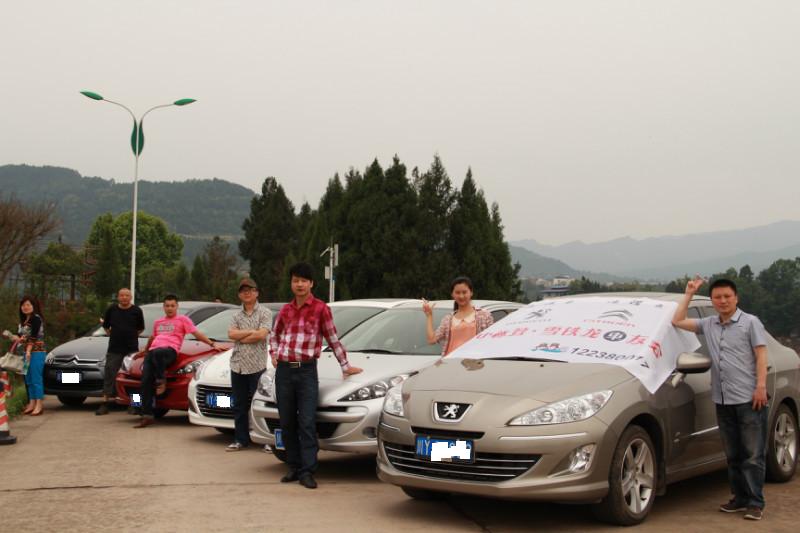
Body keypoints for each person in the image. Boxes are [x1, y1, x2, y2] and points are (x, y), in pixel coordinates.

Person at [672, 277, 769, 521]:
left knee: (752, 454)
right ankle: (739, 498)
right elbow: (678, 321)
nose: (723, 301)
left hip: (749, 398)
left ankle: (755, 503)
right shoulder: (709, 324)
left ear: (736, 298)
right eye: (718, 297)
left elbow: (761, 355)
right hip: (723, 399)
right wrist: (689, 293)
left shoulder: (750, 323)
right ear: (712, 300)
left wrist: (760, 386)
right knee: (733, 454)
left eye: (727, 296)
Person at [269, 262, 363, 488]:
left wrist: (345, 365)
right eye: (295, 280)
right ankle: (293, 466)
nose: (299, 284)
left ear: (311, 283)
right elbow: (274, 335)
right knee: (287, 421)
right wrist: (274, 354)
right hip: (284, 371)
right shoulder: (285, 310)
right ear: (291, 283)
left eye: (304, 280)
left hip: (306, 371)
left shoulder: (321, 309)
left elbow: (333, 338)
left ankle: (307, 471)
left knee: (307, 422)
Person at [134, 294, 219, 428]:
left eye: (172, 306)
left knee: (157, 353)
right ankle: (147, 415)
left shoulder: (183, 320)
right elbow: (152, 337)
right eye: (167, 306)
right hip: (153, 352)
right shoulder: (158, 322)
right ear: (164, 307)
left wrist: (211, 344)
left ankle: (161, 380)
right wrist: (144, 350)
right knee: (145, 381)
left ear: (177, 307)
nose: (170, 308)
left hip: (169, 351)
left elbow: (196, 333)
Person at [225, 278, 272, 451]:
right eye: (243, 291)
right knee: (239, 405)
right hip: (237, 365)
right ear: (239, 295)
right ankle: (240, 439)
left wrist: (242, 336)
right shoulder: (235, 315)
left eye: (250, 290)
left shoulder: (265, 312)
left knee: (259, 403)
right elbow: (231, 334)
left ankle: (265, 440)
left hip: (257, 365)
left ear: (257, 292)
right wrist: (252, 331)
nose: (247, 293)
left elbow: (261, 335)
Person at [96, 288, 144, 416]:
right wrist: (115, 335)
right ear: (118, 297)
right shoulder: (112, 310)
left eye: (127, 295)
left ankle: (135, 404)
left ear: (131, 297)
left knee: (133, 377)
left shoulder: (137, 311)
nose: (124, 298)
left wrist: (130, 336)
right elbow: (106, 327)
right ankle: (105, 403)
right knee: (110, 375)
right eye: (122, 295)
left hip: (131, 349)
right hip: (114, 349)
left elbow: (140, 329)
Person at [422, 276, 494, 356]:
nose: (461, 296)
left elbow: (492, 341)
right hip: (451, 362)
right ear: (452, 294)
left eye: (464, 292)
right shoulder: (448, 319)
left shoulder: (484, 316)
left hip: (474, 362)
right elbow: (431, 340)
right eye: (457, 292)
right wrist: (429, 316)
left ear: (471, 292)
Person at [8, 296, 47, 416]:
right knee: (28, 379)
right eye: (23, 305)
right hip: (26, 353)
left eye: (28, 305)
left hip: (36, 353)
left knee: (36, 379)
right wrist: (13, 337)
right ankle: (32, 403)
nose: (25, 307)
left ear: (33, 306)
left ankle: (39, 404)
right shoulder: (24, 321)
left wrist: (29, 351)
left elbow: (33, 337)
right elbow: (22, 337)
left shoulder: (36, 319)